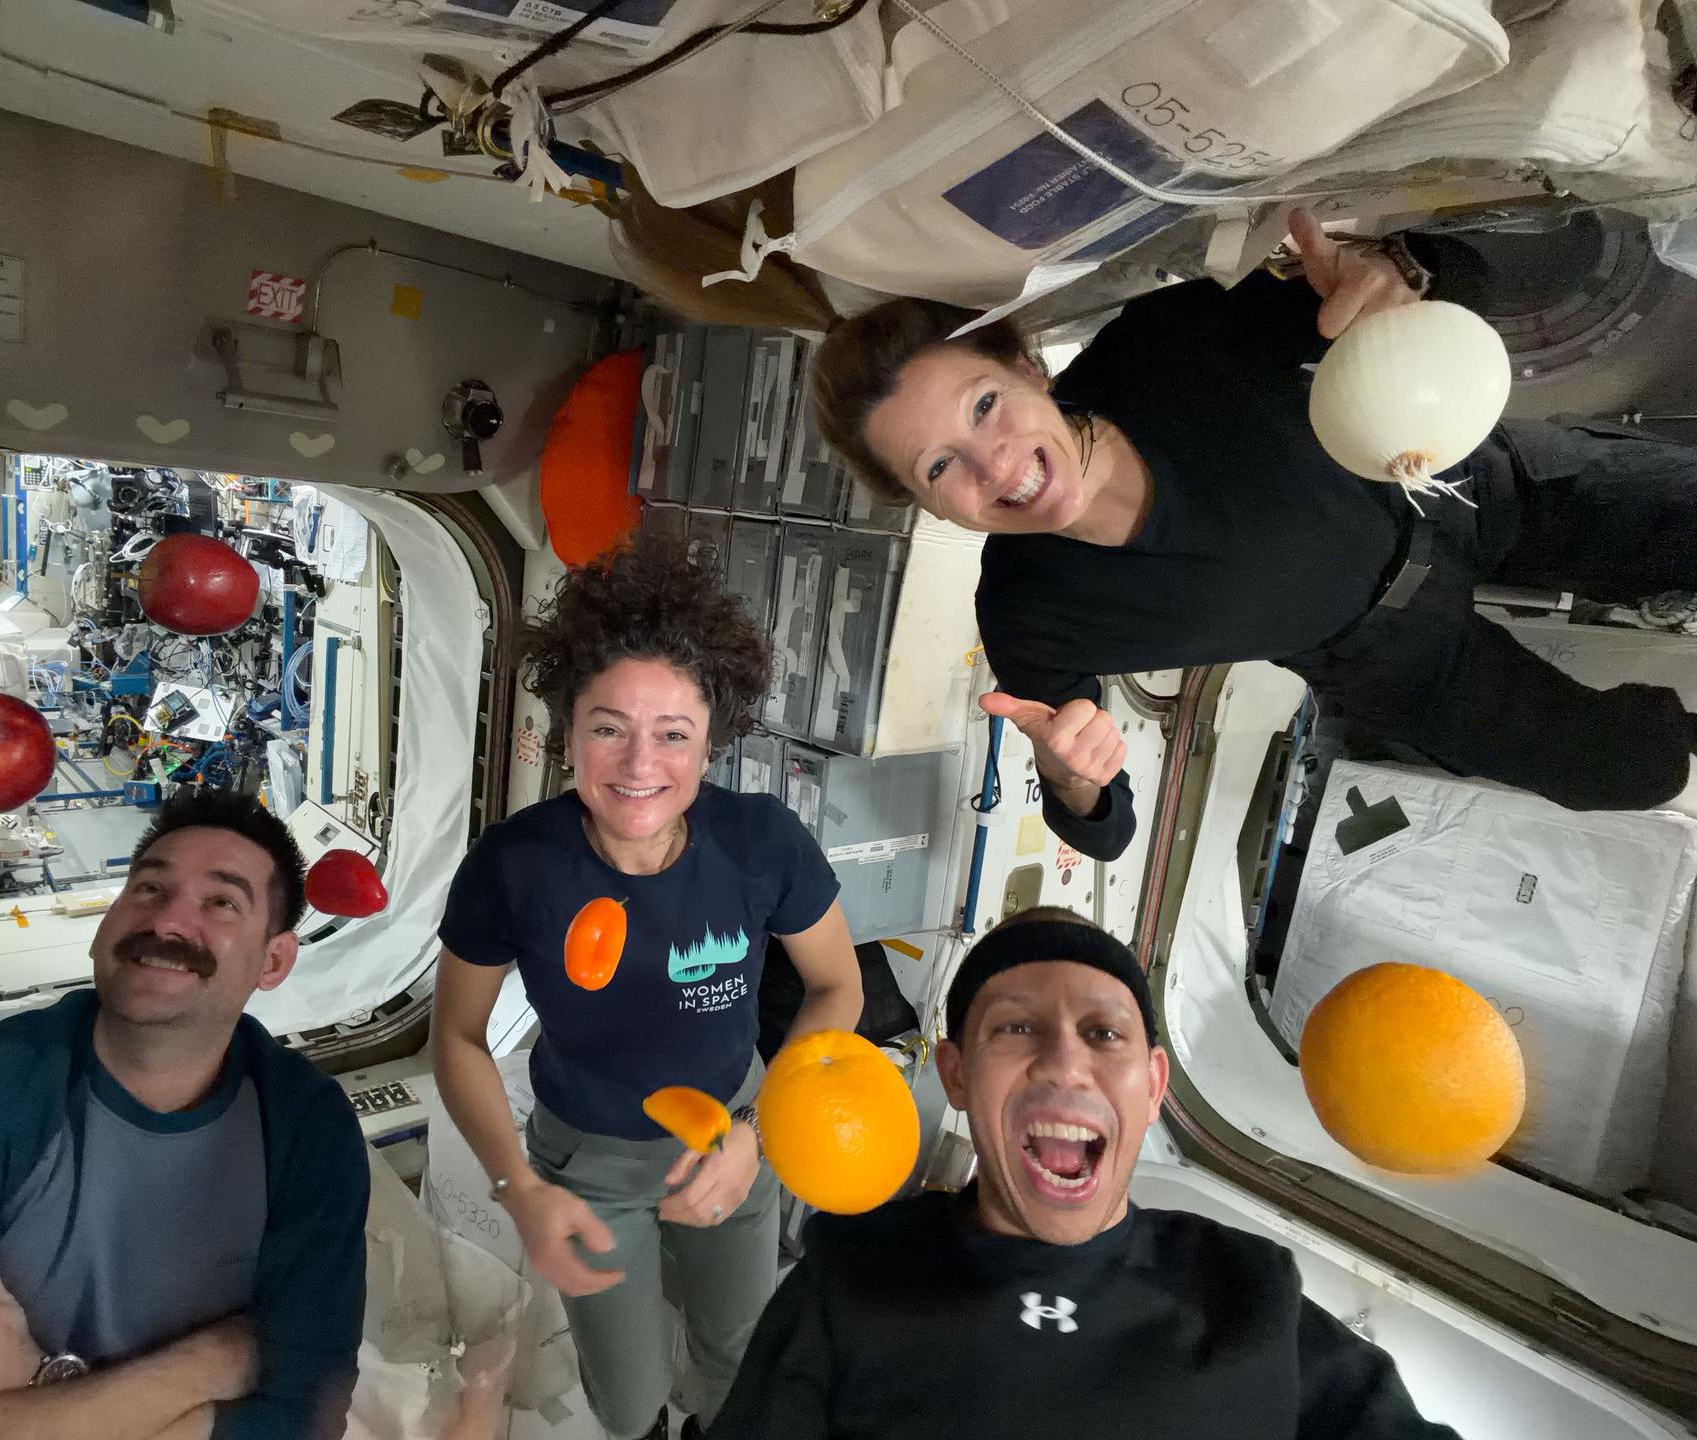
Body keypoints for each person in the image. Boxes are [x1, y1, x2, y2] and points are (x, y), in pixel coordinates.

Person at [616, 182, 1697, 861]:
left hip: (1483, 481)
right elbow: (1107, 831)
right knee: (1630, 772)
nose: (993, 461)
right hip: (1397, 662)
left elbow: (1462, 278)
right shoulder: (1033, 619)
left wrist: (1398, 276)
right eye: (942, 463)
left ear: (1029, 368)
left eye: (986, 406)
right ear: (925, 500)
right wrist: (1075, 777)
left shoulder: (1173, 336)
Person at [710, 907, 1461, 1439]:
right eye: (1016, 1027)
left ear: (1154, 1085)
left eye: (1103, 1032)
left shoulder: (1249, 1292)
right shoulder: (850, 1277)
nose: (1066, 1061)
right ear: (959, 1074)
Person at [433, 537, 864, 1440]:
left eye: (673, 733)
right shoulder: (513, 866)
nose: (638, 765)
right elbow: (459, 1041)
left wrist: (759, 1134)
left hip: (734, 1132)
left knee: (737, 1357)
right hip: (584, 1161)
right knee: (627, 1402)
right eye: (608, 728)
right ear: (567, 728)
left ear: (712, 738)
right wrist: (519, 1187)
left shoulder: (762, 842)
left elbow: (837, 990)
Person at [0, 787, 369, 1440]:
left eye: (220, 902)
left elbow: (306, 1413)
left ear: (274, 960)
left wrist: (7, 1410)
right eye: (149, 890)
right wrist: (212, 1363)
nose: (169, 921)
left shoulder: (306, 1129)